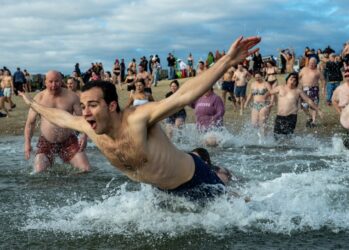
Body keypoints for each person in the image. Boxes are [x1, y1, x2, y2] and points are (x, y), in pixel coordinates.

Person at [19, 36, 261, 200]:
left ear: (112, 106)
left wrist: (226, 61)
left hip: (195, 180)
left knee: (245, 210)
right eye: (83, 106)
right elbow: (60, 117)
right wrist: (33, 104)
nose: (85, 112)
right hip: (163, 192)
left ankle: (225, 176)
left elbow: (183, 95)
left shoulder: (137, 118)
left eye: (92, 105)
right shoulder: (89, 127)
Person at [23, 70, 91, 173]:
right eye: (50, 82)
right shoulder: (39, 98)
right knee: (39, 171)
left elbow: (83, 118)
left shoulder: (72, 96)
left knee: (85, 169)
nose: (54, 85)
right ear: (45, 82)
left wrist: (84, 136)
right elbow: (30, 123)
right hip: (46, 142)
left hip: (68, 141)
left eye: (57, 81)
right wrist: (27, 143)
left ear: (61, 81)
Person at [269, 72, 323, 139]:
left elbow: (308, 100)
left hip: (291, 117)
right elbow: (269, 92)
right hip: (280, 116)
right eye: (291, 79)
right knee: (276, 137)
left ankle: (289, 149)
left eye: (295, 80)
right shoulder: (280, 88)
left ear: (296, 82)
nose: (292, 81)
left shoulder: (298, 91)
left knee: (287, 137)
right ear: (287, 79)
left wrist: (318, 110)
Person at [299, 57, 326, 127]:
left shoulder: (317, 71)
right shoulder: (304, 69)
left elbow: (323, 80)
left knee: (314, 105)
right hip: (304, 89)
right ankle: (309, 117)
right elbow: (297, 77)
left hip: (314, 89)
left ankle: (313, 122)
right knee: (303, 106)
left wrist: (323, 88)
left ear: (315, 64)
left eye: (313, 63)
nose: (311, 64)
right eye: (310, 62)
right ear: (308, 62)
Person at [244, 72, 274, 136]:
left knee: (262, 123)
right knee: (254, 124)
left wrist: (271, 102)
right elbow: (250, 94)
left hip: (264, 104)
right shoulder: (253, 84)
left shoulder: (266, 84)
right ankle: (258, 136)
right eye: (256, 77)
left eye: (258, 77)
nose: (257, 78)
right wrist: (246, 102)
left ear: (262, 76)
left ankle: (264, 137)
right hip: (255, 104)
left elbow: (272, 93)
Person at [332, 63, 349, 148]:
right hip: (346, 117)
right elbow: (334, 101)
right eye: (347, 74)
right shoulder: (339, 89)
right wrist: (339, 112)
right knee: (346, 143)